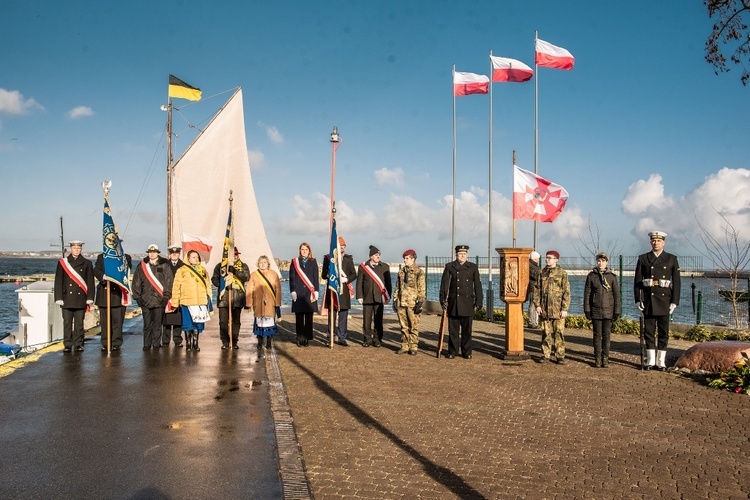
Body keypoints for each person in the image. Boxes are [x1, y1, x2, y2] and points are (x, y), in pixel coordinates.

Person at [634, 231, 681, 371]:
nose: (656, 243)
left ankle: (661, 361)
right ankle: (650, 360)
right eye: (653, 241)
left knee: (663, 332)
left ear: (664, 243)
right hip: (649, 300)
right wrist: (638, 299)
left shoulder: (671, 259)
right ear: (650, 242)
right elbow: (637, 281)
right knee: (648, 331)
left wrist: (674, 301)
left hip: (665, 300)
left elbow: (676, 282)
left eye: (659, 241)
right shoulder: (643, 258)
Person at [439, 244, 482, 359]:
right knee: (453, 330)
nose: (462, 256)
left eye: (464, 254)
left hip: (467, 302)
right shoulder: (450, 267)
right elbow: (444, 285)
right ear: (456, 255)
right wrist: (442, 299)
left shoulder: (473, 267)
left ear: (467, 255)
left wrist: (479, 301)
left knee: (467, 331)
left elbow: (477, 285)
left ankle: (467, 352)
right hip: (454, 303)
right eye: (460, 254)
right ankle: (452, 351)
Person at [54, 240, 95, 352]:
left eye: (79, 248)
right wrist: (58, 297)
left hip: (80, 298)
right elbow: (58, 281)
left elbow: (90, 282)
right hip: (67, 298)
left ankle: (78, 343)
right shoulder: (63, 263)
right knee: (67, 323)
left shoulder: (87, 263)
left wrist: (90, 298)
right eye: (74, 248)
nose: (77, 250)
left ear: (81, 249)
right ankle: (67, 344)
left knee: (79, 323)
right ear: (71, 249)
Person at [132, 244, 173, 350]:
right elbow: (136, 282)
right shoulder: (142, 266)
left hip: (159, 300)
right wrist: (137, 297)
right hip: (145, 299)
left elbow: (169, 281)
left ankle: (155, 344)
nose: (152, 254)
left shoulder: (165, 265)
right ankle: (146, 344)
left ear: (157, 253)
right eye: (150, 252)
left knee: (157, 324)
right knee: (147, 325)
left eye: (154, 252)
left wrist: (166, 296)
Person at [533, 250, 571, 364]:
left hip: (557, 309)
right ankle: (546, 355)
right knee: (546, 333)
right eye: (546, 257)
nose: (547, 259)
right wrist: (537, 305)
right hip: (544, 309)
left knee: (559, 333)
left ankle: (560, 356)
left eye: (550, 258)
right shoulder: (541, 273)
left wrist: (564, 309)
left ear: (556, 260)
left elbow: (566, 292)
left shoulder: (562, 273)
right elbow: (536, 290)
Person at [584, 252, 621, 368]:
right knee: (597, 335)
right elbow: (587, 294)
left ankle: (605, 358)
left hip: (608, 311)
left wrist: (616, 311)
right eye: (599, 261)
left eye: (603, 261)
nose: (601, 263)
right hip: (595, 310)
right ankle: (597, 359)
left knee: (606, 336)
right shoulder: (591, 276)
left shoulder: (612, 277)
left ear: (607, 262)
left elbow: (616, 296)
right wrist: (587, 309)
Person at [170, 249, 211, 351]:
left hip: (200, 302)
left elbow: (208, 286)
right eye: (193, 257)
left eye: (197, 257)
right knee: (188, 324)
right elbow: (176, 287)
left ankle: (196, 343)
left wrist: (208, 299)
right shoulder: (182, 270)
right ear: (188, 258)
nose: (196, 259)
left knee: (198, 324)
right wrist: (175, 302)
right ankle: (188, 344)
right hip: (187, 301)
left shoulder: (203, 270)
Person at [321, 236, 357, 346]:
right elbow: (323, 275)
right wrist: (330, 275)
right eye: (339, 245)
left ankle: (342, 338)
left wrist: (346, 279)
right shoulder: (328, 258)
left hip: (344, 291)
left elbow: (354, 274)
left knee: (343, 316)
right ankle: (330, 336)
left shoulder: (348, 259)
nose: (341, 248)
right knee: (332, 316)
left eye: (343, 246)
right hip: (332, 290)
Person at [212, 247, 250, 349]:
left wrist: (235, 272)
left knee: (236, 322)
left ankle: (234, 340)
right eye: (232, 255)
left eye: (236, 255)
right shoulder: (220, 266)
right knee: (223, 322)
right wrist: (222, 285)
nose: (235, 257)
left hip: (238, 298)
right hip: (224, 298)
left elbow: (246, 277)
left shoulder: (243, 266)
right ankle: (225, 341)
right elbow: (214, 279)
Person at [93, 251, 132, 351]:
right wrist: (103, 277)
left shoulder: (125, 257)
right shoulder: (101, 257)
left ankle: (116, 342)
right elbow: (96, 270)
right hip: (104, 294)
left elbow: (126, 270)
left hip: (118, 294)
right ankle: (106, 342)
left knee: (117, 321)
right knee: (105, 322)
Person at [246, 255, 282, 360]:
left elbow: (278, 290)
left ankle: (269, 340)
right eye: (261, 262)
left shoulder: (274, 274)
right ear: (258, 264)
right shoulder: (254, 275)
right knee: (259, 323)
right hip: (258, 302)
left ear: (268, 263)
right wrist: (249, 303)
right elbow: (249, 290)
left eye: (265, 262)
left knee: (270, 322)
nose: (263, 264)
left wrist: (278, 303)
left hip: (270, 303)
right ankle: (260, 340)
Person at [356, 245, 392, 347]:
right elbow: (359, 283)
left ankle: (377, 339)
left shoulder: (385, 267)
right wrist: (359, 296)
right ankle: (367, 339)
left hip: (379, 298)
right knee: (366, 321)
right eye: (376, 255)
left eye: (379, 255)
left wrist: (388, 297)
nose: (378, 256)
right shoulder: (363, 267)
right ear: (371, 256)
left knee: (378, 320)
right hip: (367, 298)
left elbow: (388, 284)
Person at [393, 249, 426, 355]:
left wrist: (420, 302)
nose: (405, 261)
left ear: (413, 259)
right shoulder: (401, 271)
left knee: (413, 325)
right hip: (401, 302)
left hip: (412, 303)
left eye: (407, 258)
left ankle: (413, 346)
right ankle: (404, 345)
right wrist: (395, 299)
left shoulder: (418, 272)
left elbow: (421, 288)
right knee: (403, 326)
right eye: (404, 258)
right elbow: (397, 286)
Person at [289, 242, 319, 347]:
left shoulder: (313, 261)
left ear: (309, 251)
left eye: (306, 249)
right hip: (299, 293)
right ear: (300, 251)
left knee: (309, 317)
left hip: (310, 293)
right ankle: (300, 338)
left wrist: (317, 291)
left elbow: (316, 277)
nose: (304, 251)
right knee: (299, 317)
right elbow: (292, 277)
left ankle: (307, 338)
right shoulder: (295, 262)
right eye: (302, 249)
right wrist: (292, 290)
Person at [163, 245, 185, 347]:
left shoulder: (183, 266)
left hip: (179, 295)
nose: (174, 255)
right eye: (172, 253)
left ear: (179, 254)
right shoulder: (164, 265)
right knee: (166, 319)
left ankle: (177, 340)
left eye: (176, 253)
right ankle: (165, 340)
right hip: (167, 295)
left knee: (178, 319)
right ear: (169, 254)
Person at [527, 251, 541, 328]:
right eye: (538, 258)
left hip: (534, 287)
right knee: (533, 305)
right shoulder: (531, 266)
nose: (538, 260)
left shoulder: (532, 265)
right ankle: (531, 322)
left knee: (534, 304)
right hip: (533, 288)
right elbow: (536, 275)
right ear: (534, 258)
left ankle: (534, 321)